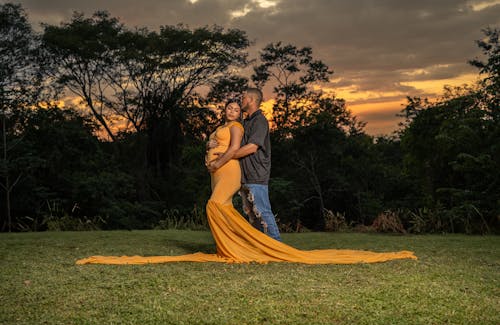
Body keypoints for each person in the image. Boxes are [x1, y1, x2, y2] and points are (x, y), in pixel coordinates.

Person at [75, 94, 417, 265]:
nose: (233, 110)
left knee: (226, 208)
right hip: (222, 172)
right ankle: (245, 246)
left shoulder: (245, 125)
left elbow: (243, 148)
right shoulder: (225, 124)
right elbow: (215, 145)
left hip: (231, 171)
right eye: (230, 107)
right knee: (246, 211)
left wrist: (219, 160)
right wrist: (207, 157)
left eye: (238, 106)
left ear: (246, 107)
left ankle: (269, 248)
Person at [208, 88, 281, 241]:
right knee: (252, 214)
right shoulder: (245, 122)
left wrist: (227, 155)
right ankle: (259, 245)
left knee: (262, 211)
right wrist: (213, 143)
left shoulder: (259, 120)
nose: (242, 100)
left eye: (244, 98)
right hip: (244, 174)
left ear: (251, 100)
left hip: (257, 174)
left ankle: (277, 245)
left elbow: (252, 147)